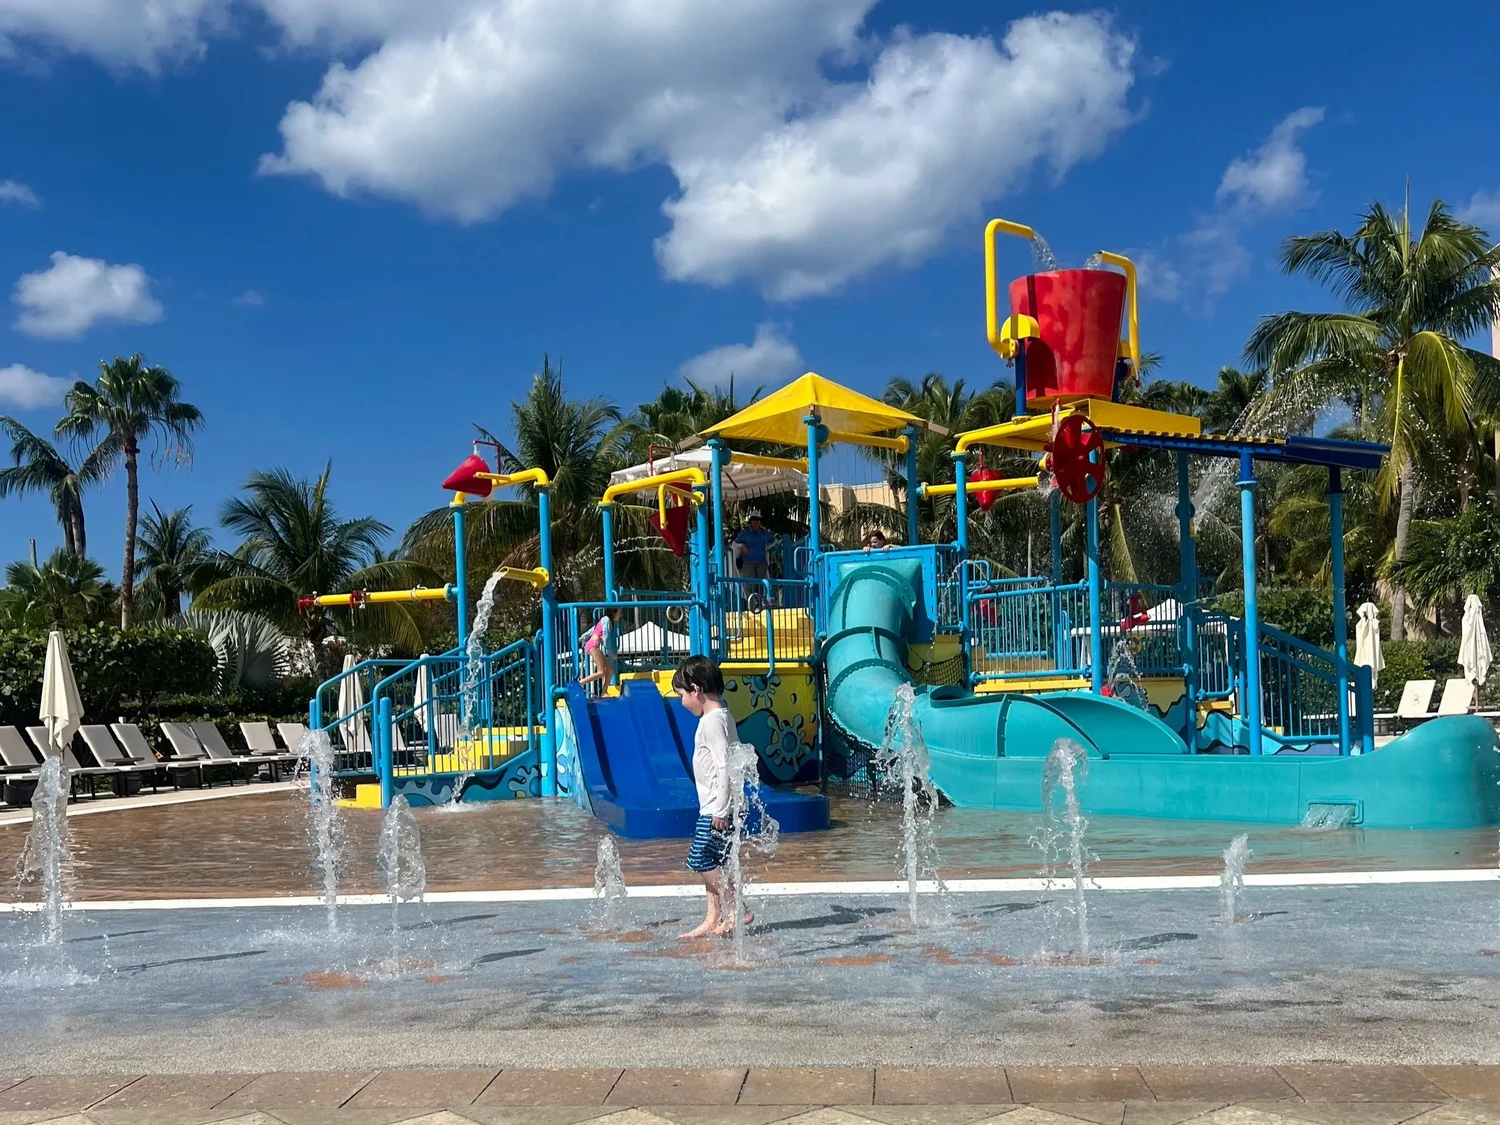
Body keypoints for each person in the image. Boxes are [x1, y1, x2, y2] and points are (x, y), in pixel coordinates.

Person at [673, 655, 752, 939]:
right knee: (715, 861)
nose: (682, 702)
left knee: (702, 860)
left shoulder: (711, 722)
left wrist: (720, 809)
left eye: (682, 694)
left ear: (696, 690)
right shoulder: (724, 715)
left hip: (715, 809)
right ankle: (713, 916)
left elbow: (723, 765)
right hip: (718, 806)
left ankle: (738, 908)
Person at [578, 607, 621, 692]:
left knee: (610, 669)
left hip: (594, 645)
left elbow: (593, 629)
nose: (620, 615)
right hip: (593, 645)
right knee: (601, 672)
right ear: (614, 612)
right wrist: (611, 653)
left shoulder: (606, 620)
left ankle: (604, 692)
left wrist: (582, 637)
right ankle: (579, 683)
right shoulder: (606, 620)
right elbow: (606, 638)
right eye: (619, 612)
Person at [732, 511, 775, 581]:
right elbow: (734, 543)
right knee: (750, 585)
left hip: (761, 562)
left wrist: (766, 548)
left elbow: (774, 541)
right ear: (751, 521)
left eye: (758, 519)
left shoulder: (764, 532)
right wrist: (741, 545)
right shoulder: (745, 533)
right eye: (754, 519)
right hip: (748, 562)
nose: (756, 521)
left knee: (761, 586)